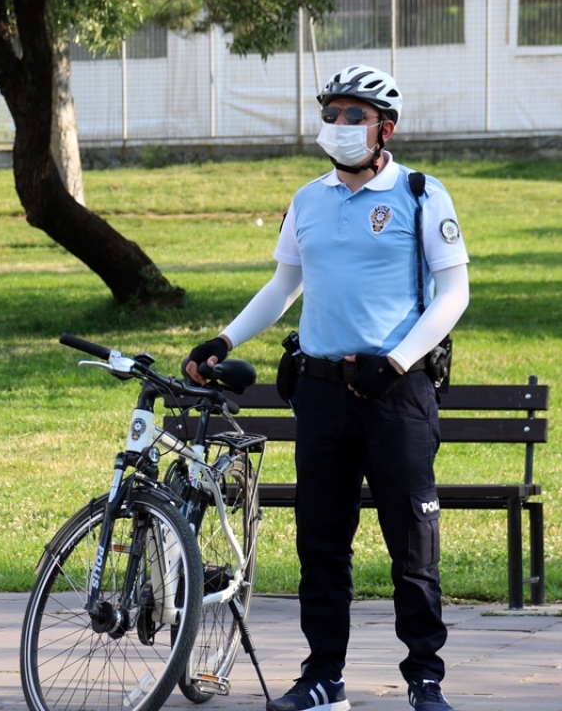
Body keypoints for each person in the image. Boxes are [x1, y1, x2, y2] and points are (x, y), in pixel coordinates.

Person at [183, 65, 469, 711]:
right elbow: (284, 286)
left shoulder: (422, 196)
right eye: (331, 114)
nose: (338, 126)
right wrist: (224, 341)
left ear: (384, 128)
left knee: (412, 544)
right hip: (320, 394)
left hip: (396, 395)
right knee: (321, 544)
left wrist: (395, 362)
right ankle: (323, 678)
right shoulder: (308, 201)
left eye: (353, 116)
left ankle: (426, 680)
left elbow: (454, 295)